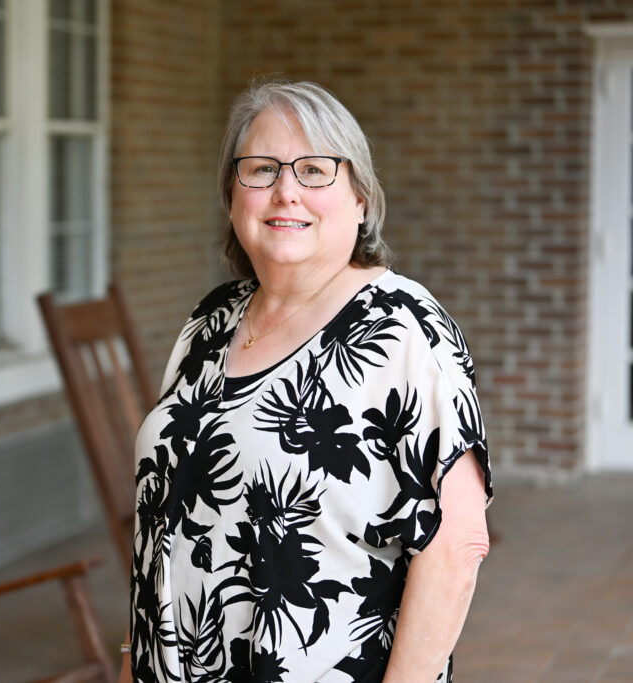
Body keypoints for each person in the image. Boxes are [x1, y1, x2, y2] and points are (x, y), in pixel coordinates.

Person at [120, 79, 493, 683]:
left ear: (361, 199)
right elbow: (158, 529)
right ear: (232, 194)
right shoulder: (210, 322)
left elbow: (456, 545)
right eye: (261, 169)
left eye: (315, 170)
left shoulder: (402, 329)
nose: (285, 191)